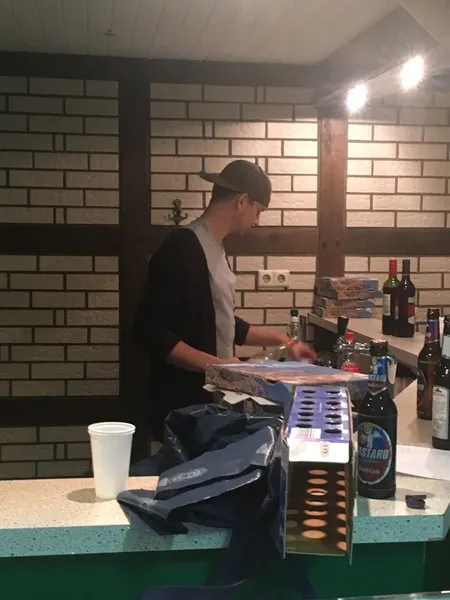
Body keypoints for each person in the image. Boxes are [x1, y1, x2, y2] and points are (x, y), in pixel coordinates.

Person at [134, 159, 316, 441]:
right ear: (242, 201)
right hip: (185, 407)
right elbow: (150, 333)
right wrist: (219, 367)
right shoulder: (182, 247)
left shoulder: (214, 248)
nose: (257, 221)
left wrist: (285, 341)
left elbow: (221, 320)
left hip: (210, 402)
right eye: (259, 211)